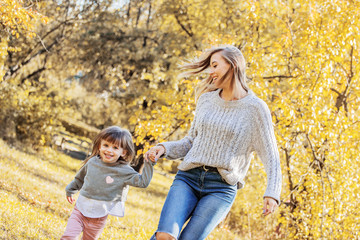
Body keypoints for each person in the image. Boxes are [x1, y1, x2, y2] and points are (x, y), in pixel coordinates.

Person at [144, 45, 282, 240]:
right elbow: (191, 141)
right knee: (165, 236)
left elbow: (271, 155)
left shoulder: (255, 109)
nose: (211, 72)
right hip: (188, 178)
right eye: (210, 66)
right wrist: (163, 148)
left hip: (221, 188)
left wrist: (272, 193)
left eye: (215, 65)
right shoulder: (206, 100)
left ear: (232, 66)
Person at [61, 126, 155, 240]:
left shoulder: (123, 170)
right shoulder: (93, 162)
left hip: (99, 217)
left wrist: (149, 164)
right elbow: (80, 178)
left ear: (123, 152)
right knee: (68, 237)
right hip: (80, 210)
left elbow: (143, 182)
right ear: (100, 146)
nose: (109, 150)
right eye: (106, 145)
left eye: (115, 147)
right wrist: (70, 189)